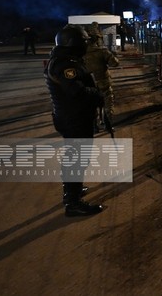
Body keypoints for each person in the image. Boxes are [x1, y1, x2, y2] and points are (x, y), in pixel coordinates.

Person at [44, 25, 105, 216]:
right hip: (74, 118)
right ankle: (73, 202)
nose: (86, 44)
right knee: (76, 159)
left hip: (73, 116)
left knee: (76, 157)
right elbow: (77, 91)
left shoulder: (64, 58)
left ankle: (73, 190)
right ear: (73, 43)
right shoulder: (65, 64)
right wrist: (97, 94)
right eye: (83, 40)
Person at [83, 31, 120, 133]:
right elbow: (115, 63)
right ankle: (108, 126)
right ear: (97, 40)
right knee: (108, 105)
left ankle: (94, 127)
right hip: (104, 82)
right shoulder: (102, 51)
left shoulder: (81, 53)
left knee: (91, 106)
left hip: (88, 84)